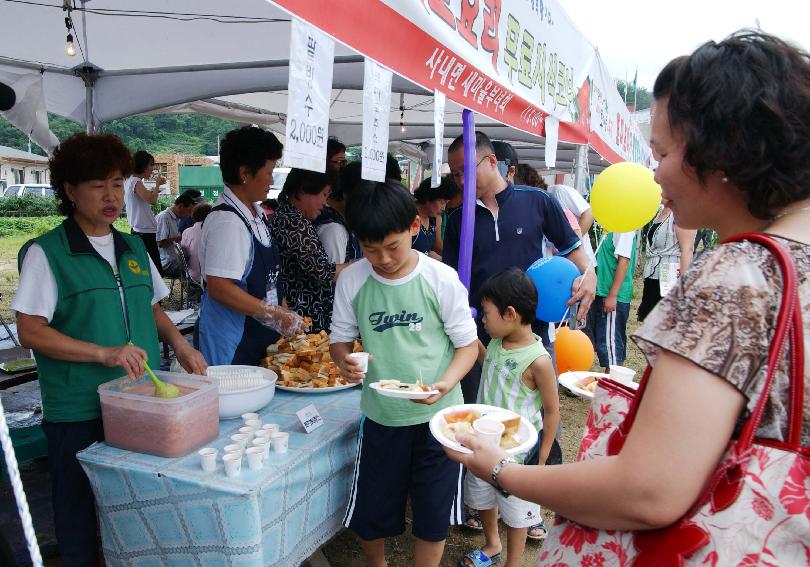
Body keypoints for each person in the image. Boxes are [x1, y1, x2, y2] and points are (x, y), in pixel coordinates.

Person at [445, 31, 810, 564]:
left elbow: (648, 490)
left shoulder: (734, 276)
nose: (653, 171)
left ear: (722, 149)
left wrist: (501, 470)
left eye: (661, 151)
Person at [12, 133, 207, 566]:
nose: (111, 195)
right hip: (78, 408)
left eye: (117, 183)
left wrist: (180, 344)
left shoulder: (133, 246)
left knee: (136, 504)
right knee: (79, 511)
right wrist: (103, 353)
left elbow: (152, 305)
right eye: (98, 185)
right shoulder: (48, 253)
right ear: (69, 190)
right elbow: (30, 331)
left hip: (140, 401)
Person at [330, 180, 478, 567]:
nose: (383, 259)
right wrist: (343, 360)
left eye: (392, 247)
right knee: (373, 511)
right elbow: (340, 341)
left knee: (432, 516)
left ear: (415, 226)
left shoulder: (440, 278)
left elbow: (467, 345)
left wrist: (445, 383)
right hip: (381, 416)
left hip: (439, 418)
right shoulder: (352, 280)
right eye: (371, 249)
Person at [443, 131, 596, 393]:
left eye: (466, 171)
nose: (461, 181)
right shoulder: (458, 219)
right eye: (455, 174)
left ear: (492, 161)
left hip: (532, 333)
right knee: (482, 409)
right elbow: (451, 279)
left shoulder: (537, 201)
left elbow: (577, 255)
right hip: (481, 336)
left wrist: (590, 276)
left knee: (538, 413)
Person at [461, 268, 560, 567]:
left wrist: (542, 458)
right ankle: (492, 543)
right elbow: (485, 360)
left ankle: (513, 562)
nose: (483, 319)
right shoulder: (495, 342)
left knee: (517, 511)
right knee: (482, 497)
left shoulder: (538, 360)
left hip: (517, 453)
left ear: (510, 314)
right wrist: (466, 331)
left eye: (486, 312)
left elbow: (553, 409)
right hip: (485, 441)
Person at [198, 126, 307, 366]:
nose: (271, 180)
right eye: (268, 172)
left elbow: (271, 280)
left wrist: (284, 313)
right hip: (233, 346)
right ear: (245, 173)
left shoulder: (255, 213)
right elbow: (220, 287)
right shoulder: (228, 221)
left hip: (259, 340)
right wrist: (276, 314)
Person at [270, 168, 348, 333]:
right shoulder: (291, 222)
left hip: (303, 318)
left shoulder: (292, 218)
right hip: (303, 319)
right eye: (323, 194)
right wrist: (362, 265)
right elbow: (322, 271)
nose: (324, 203)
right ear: (303, 190)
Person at [637, 203, 695, 321]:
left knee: (665, 322)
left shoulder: (682, 213)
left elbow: (687, 250)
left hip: (670, 277)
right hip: (653, 276)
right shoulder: (660, 212)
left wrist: (683, 286)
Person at [593, 231, 637, 371]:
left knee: (611, 348)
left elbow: (624, 261)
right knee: (612, 344)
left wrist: (612, 295)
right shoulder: (612, 227)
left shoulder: (624, 229)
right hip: (605, 292)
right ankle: (615, 384)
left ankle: (610, 388)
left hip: (612, 295)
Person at [313, 160, 362, 264]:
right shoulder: (334, 230)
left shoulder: (345, 221)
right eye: (364, 199)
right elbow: (334, 277)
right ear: (346, 195)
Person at [124, 150, 165, 276]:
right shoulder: (135, 181)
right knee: (153, 272)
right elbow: (151, 200)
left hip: (141, 230)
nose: (152, 169)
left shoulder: (131, 180)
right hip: (143, 233)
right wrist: (157, 185)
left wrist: (154, 191)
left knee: (148, 271)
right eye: (151, 165)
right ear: (143, 166)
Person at [156, 192, 195, 277]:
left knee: (196, 260)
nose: (189, 215)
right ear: (180, 206)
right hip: (168, 263)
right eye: (188, 211)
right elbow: (160, 243)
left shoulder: (174, 219)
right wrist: (180, 238)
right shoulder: (164, 217)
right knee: (196, 267)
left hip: (175, 260)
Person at [412, 176, 450, 257]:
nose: (443, 208)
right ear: (429, 197)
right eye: (442, 202)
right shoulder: (409, 215)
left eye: (446, 203)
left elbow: (433, 250)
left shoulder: (434, 218)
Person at [180, 202, 212, 285]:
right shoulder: (216, 232)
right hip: (212, 279)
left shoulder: (187, 232)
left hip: (192, 276)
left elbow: (184, 255)